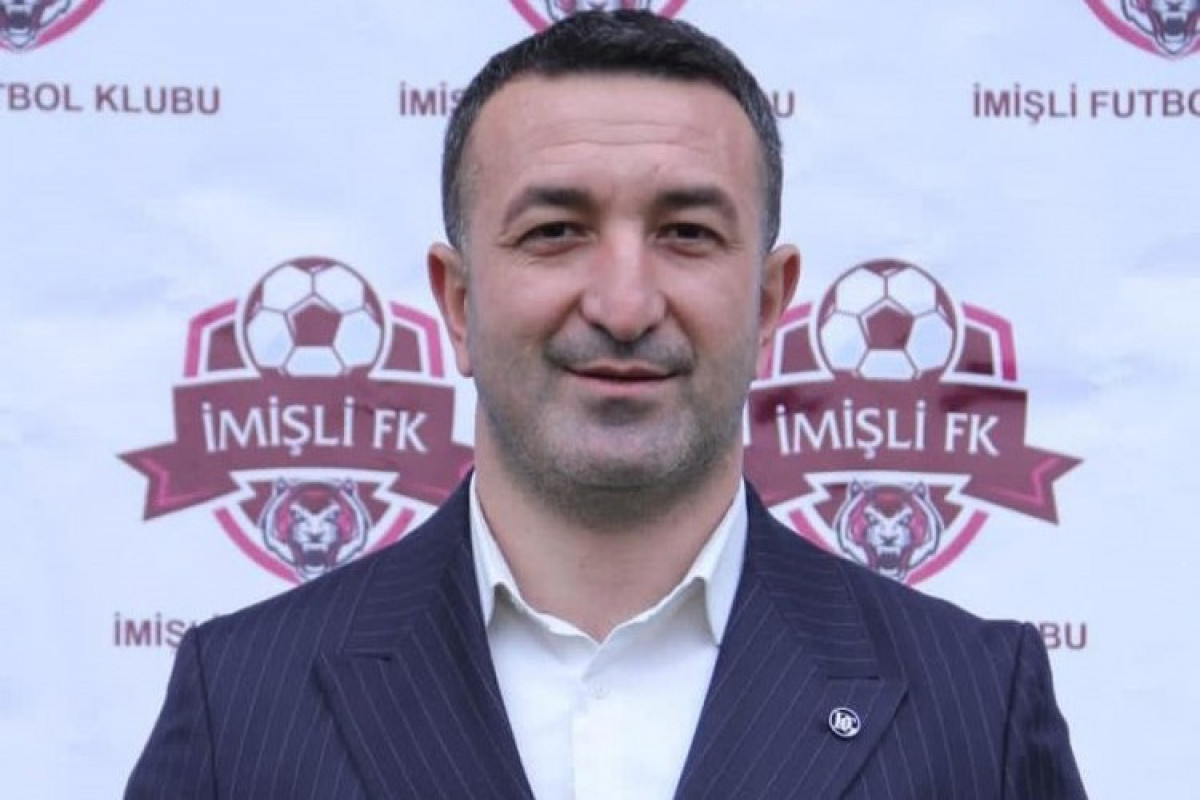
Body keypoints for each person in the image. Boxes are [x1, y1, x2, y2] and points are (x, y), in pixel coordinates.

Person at [126, 11, 1087, 799]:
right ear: (457, 302)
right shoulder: (241, 703)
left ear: (768, 303)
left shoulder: (975, 706)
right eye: (556, 231)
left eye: (687, 233)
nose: (624, 306)